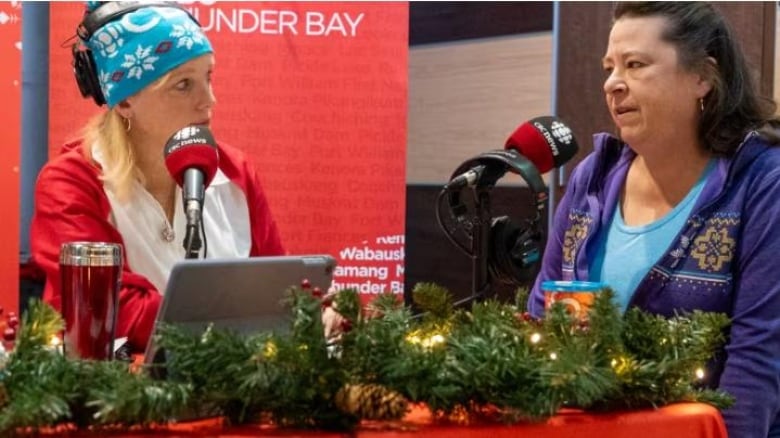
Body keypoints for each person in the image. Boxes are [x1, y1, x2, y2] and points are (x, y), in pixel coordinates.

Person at [528, 2, 780, 437]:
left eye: (635, 65)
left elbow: (757, 360)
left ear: (702, 76)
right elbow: (542, 316)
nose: (613, 84)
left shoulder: (762, 182)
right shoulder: (594, 175)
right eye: (610, 67)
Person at [30, 2, 285, 354]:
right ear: (124, 102)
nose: (208, 100)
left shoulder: (237, 171)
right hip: (119, 399)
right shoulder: (70, 182)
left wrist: (315, 309)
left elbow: (278, 289)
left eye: (207, 77)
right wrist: (235, 323)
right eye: (183, 85)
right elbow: (109, 310)